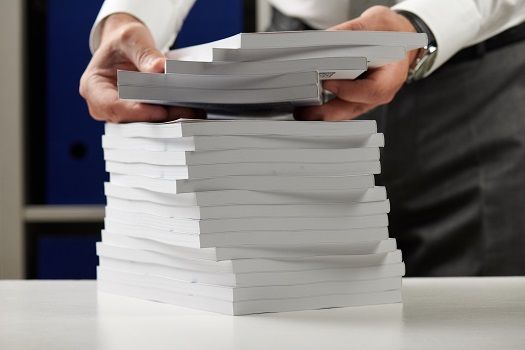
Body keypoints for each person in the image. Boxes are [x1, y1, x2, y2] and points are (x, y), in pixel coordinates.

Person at [80, 0, 525, 276]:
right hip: (289, 65)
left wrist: (421, 28)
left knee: (468, 314)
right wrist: (130, 13)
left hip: (467, 64)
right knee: (283, 305)